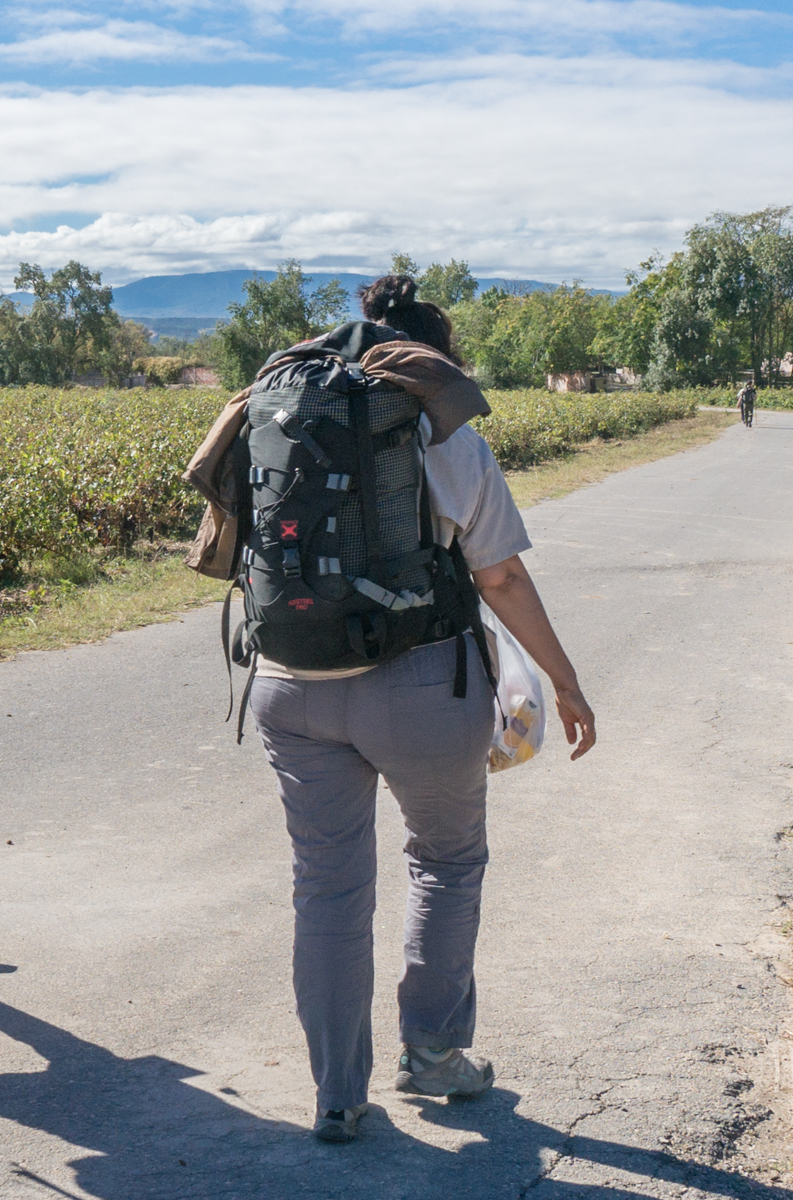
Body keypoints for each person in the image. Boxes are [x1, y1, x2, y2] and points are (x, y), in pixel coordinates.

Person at [247, 276, 598, 1142]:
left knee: (326, 889)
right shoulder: (445, 435)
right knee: (444, 861)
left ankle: (336, 1093)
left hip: (289, 684)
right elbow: (501, 576)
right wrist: (564, 680)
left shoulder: (286, 413)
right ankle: (434, 1055)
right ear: (435, 360)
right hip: (419, 684)